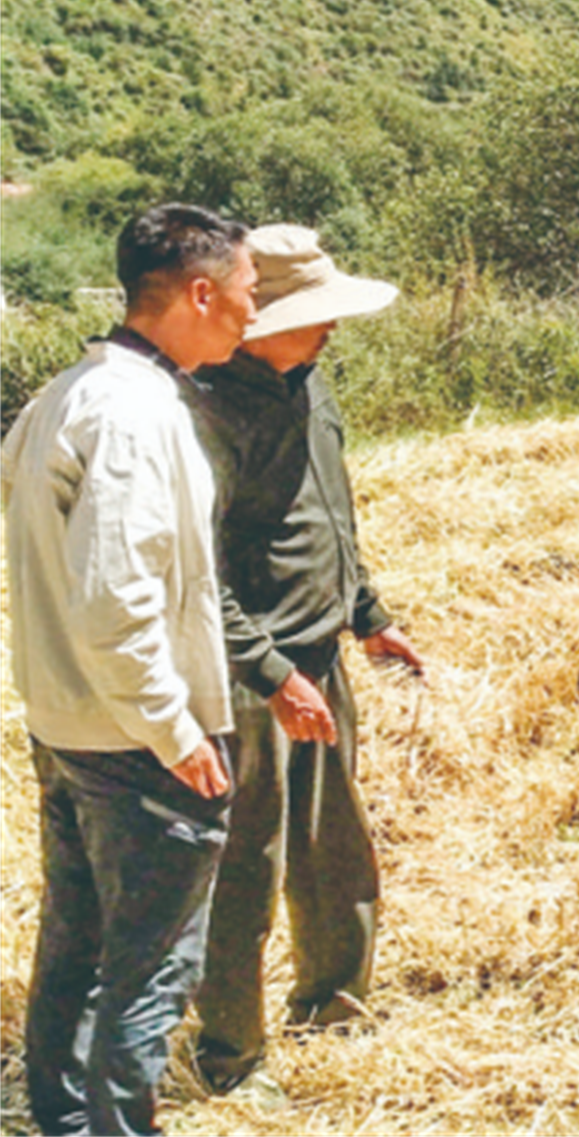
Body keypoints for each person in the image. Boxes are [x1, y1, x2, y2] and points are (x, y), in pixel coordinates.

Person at [2, 203, 258, 1137]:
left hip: (68, 721)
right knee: (148, 973)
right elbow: (117, 597)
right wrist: (174, 729)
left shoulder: (67, 394)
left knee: (75, 952)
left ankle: (65, 1124)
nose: (253, 310)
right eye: (247, 290)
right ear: (201, 292)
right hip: (135, 740)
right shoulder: (135, 413)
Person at [186, 224, 424, 1097]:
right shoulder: (202, 413)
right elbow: (196, 574)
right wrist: (269, 672)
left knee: (333, 851)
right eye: (316, 314)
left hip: (317, 656)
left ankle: (335, 1004)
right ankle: (231, 1055)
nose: (332, 328)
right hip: (246, 679)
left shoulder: (309, 384)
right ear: (261, 321)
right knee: (244, 867)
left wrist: (367, 613)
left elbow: (330, 513)